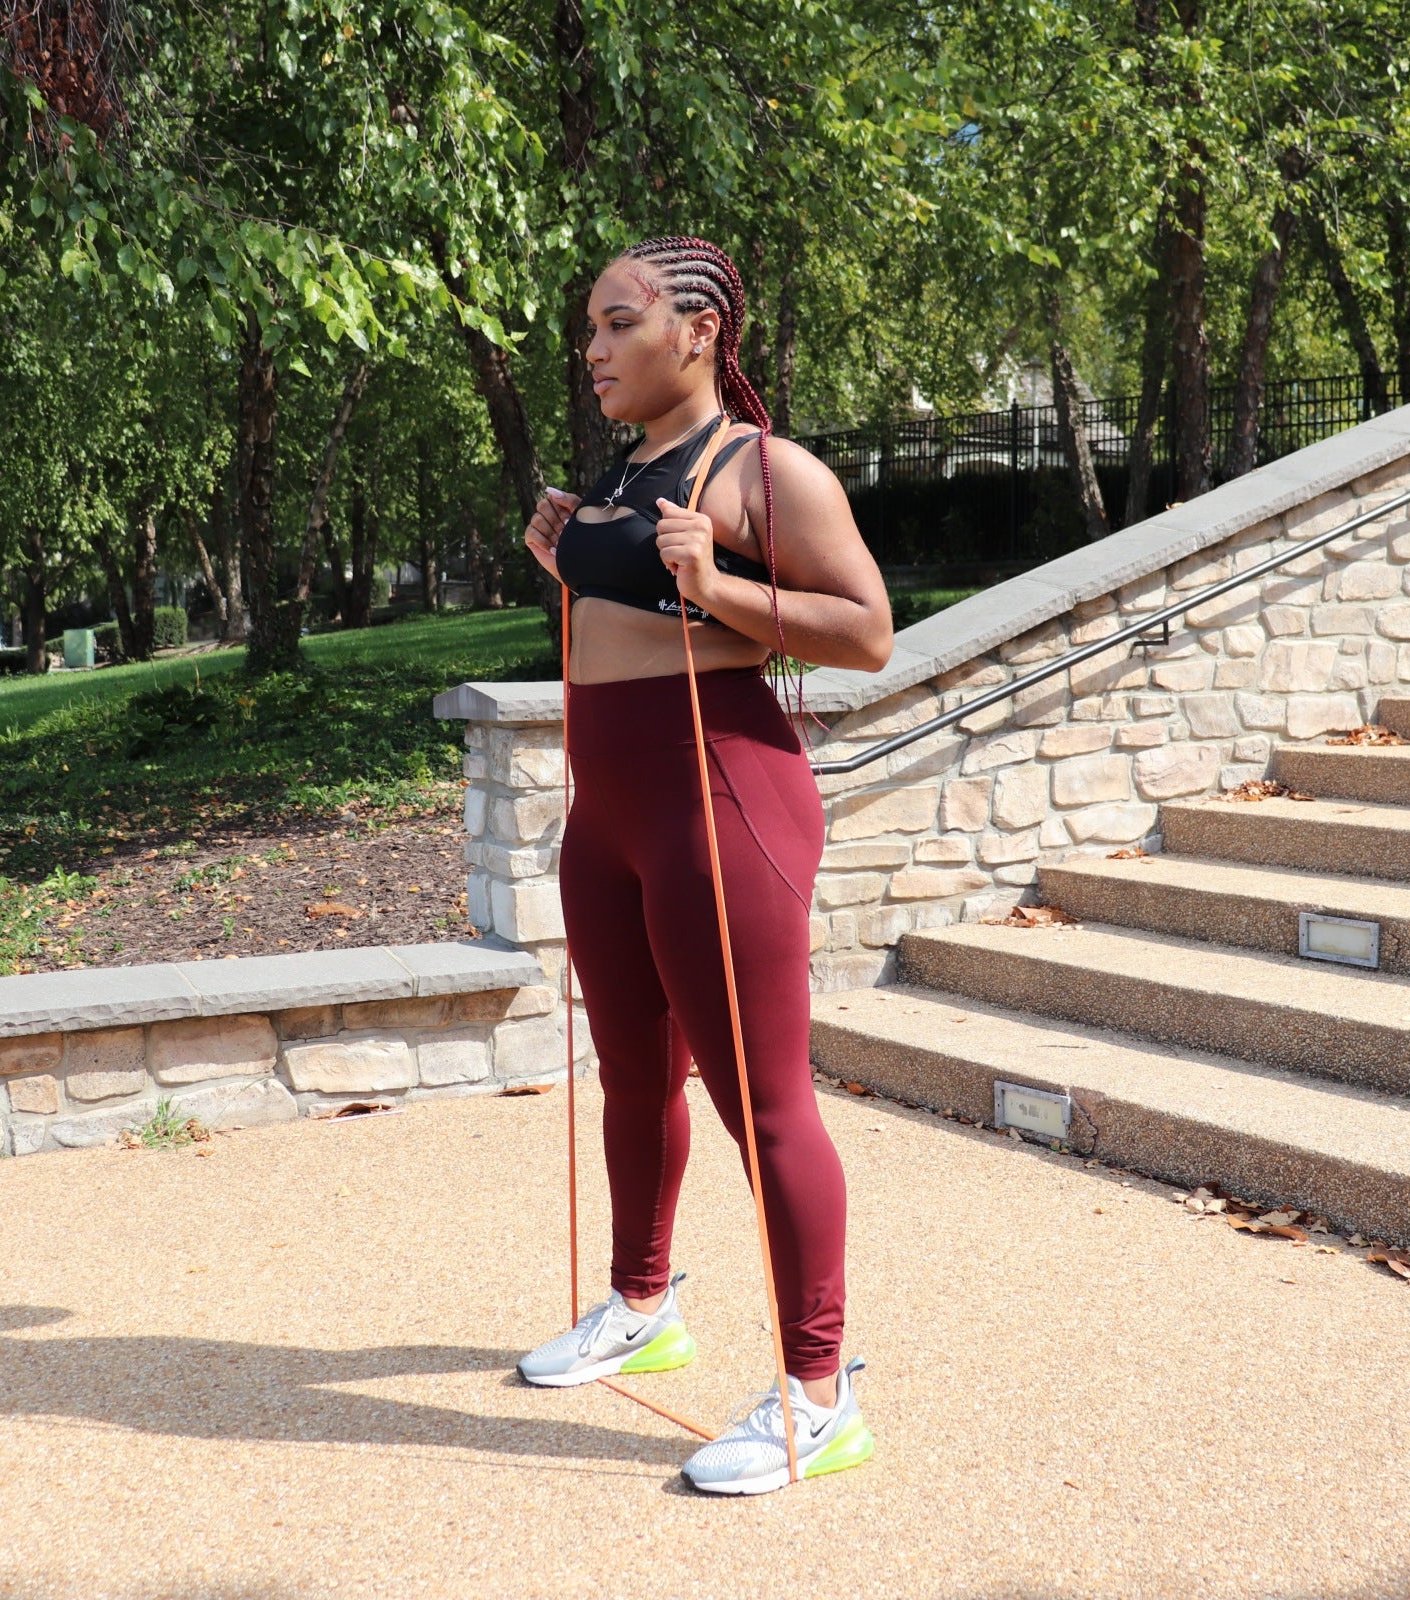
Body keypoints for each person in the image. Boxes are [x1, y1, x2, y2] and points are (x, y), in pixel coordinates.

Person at [514, 236, 893, 1495]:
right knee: (634, 1075)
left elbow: (869, 634)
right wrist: (565, 551)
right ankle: (641, 1303)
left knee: (764, 1102)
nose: (595, 349)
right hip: (609, 817)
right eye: (589, 328)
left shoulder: (765, 470)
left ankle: (820, 1389)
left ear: (696, 330)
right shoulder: (627, 477)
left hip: (720, 803)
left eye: (618, 323)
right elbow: (622, 622)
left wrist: (720, 583)